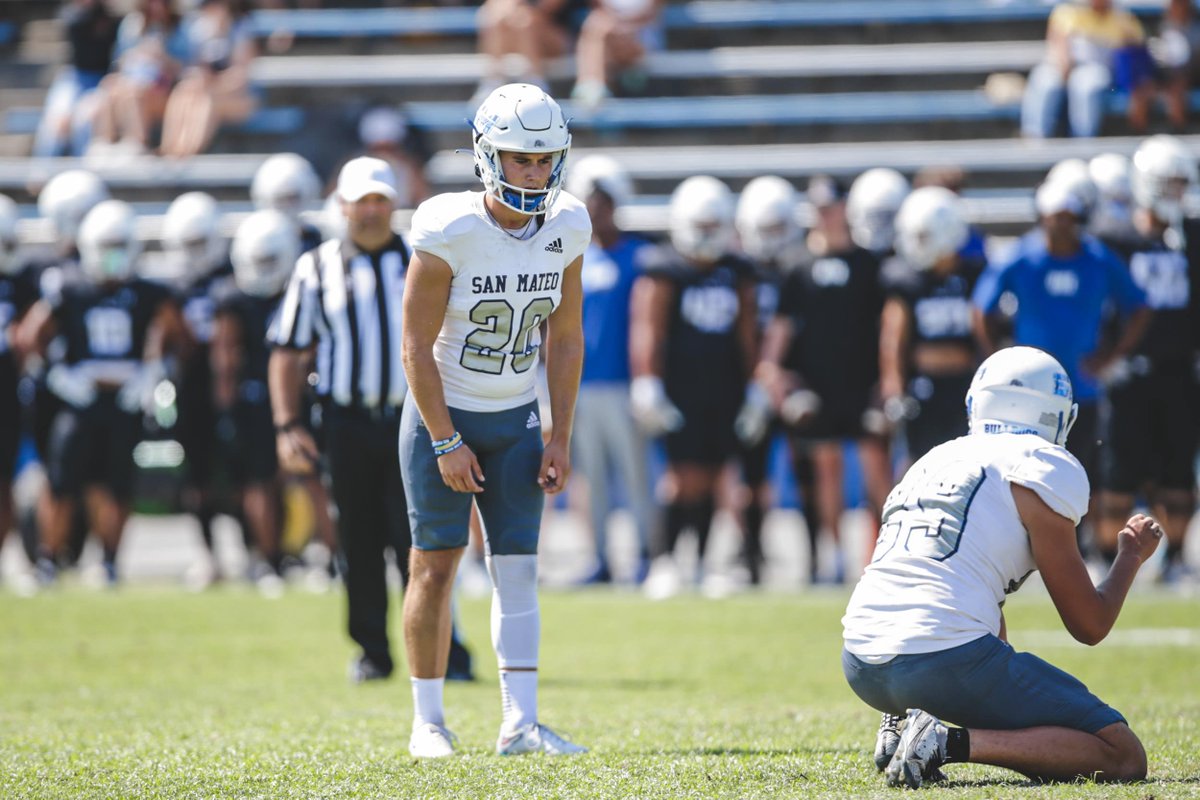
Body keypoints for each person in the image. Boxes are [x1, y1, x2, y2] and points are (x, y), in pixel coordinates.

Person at [842, 346, 1161, 788]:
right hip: (940, 660)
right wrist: (1130, 556)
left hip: (861, 662)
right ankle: (941, 739)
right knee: (1122, 755)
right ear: (1055, 416)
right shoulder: (1039, 465)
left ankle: (904, 720)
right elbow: (1089, 624)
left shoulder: (933, 459)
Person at [398, 83, 589, 757]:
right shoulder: (448, 227)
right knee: (436, 566)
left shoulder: (568, 224)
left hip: (515, 419)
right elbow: (414, 346)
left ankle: (521, 723)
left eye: (544, 160)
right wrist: (445, 439)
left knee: (518, 569)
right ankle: (428, 721)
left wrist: (559, 430)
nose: (533, 173)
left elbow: (564, 339)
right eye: (519, 159)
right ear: (487, 156)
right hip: (441, 416)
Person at [269, 156, 473, 682]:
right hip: (347, 423)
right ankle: (372, 651)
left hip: (416, 422)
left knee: (424, 538)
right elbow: (288, 351)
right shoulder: (315, 267)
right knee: (356, 542)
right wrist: (288, 425)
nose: (372, 211)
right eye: (362, 201)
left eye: (381, 199)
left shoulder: (423, 258)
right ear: (342, 207)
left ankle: (445, 651)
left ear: (395, 203)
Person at [972, 174, 1151, 554]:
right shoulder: (1022, 256)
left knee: (1081, 469)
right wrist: (999, 358)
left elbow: (1138, 305)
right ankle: (1021, 547)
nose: (1061, 225)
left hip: (1079, 387)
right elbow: (981, 308)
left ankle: (1077, 549)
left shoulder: (1098, 258)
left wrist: (1111, 355)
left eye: (1069, 218)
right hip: (1025, 394)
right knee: (1020, 471)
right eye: (1055, 217)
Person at [16, 200, 190, 586]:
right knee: (61, 482)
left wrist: (152, 374)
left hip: (125, 401)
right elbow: (30, 337)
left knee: (116, 485)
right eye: (105, 245)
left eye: (118, 245)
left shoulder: (148, 292)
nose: (111, 256)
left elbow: (178, 337)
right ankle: (47, 561)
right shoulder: (70, 286)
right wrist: (59, 375)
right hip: (80, 401)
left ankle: (109, 562)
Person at [755, 174, 892, 584]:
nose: (826, 216)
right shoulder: (798, 264)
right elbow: (782, 325)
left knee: (876, 471)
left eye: (831, 207)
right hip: (817, 384)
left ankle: (885, 558)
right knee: (826, 469)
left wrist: (888, 380)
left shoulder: (868, 263)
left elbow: (886, 325)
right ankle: (833, 557)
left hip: (862, 382)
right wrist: (771, 368)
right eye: (819, 208)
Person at [631, 175, 757, 599]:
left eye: (712, 225)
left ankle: (702, 564)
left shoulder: (736, 271)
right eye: (699, 225)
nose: (706, 234)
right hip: (680, 388)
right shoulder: (666, 268)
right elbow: (648, 328)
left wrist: (755, 386)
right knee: (678, 479)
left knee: (713, 477)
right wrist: (648, 381)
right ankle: (663, 561)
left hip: (723, 388)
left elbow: (747, 334)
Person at [1093, 135, 1200, 580]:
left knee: (1177, 473)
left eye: (1181, 183)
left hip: (1179, 370)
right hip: (1128, 373)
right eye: (1168, 183)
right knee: (1119, 476)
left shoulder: (1191, 235)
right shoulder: (1115, 238)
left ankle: (1174, 558)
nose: (1176, 192)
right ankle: (1107, 563)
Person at [563, 154, 654, 585]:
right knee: (592, 479)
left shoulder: (639, 255)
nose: (595, 209)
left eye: (602, 200)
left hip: (624, 384)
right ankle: (598, 557)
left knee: (637, 476)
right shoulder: (572, 255)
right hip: (582, 385)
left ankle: (647, 555)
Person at [160, 191, 238, 589]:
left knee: (246, 473)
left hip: (236, 384)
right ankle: (208, 555)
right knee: (199, 479)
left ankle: (260, 553)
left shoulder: (233, 274)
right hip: (191, 385)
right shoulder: (172, 285)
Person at [733, 175, 806, 586]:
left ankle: (814, 558)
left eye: (778, 228)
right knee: (750, 476)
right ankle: (750, 551)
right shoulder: (738, 270)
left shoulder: (798, 269)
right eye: (766, 229)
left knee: (807, 466)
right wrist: (754, 380)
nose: (772, 239)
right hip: (752, 386)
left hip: (792, 382)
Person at [879, 186, 983, 466]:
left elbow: (989, 334)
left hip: (966, 387)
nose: (916, 244)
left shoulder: (975, 275)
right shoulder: (907, 280)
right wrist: (894, 387)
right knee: (920, 466)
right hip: (924, 390)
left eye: (923, 236)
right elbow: (893, 338)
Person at [1020, 0, 1153, 139]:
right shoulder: (1067, 11)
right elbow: (1058, 48)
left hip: (1100, 71)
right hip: (1064, 67)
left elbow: (1136, 56)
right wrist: (1065, 69)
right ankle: (1034, 139)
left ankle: (1083, 142)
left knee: (1086, 84)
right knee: (1045, 81)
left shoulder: (1124, 18)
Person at [159, 0, 257, 158]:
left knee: (207, 100)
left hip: (241, 98)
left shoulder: (240, 29)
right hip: (209, 91)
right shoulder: (202, 32)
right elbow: (197, 69)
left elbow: (240, 78)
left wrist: (212, 85)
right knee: (184, 90)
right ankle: (170, 148)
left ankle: (189, 151)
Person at [89, 0, 189, 154]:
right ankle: (103, 145)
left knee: (134, 92)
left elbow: (188, 68)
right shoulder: (132, 24)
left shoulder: (181, 26)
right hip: (133, 82)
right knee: (109, 86)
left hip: (167, 91)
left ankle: (137, 144)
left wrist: (164, 58)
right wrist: (137, 55)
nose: (156, 7)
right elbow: (119, 62)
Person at [33, 0, 121, 158]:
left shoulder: (110, 16)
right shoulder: (71, 13)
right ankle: (41, 174)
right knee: (55, 123)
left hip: (101, 79)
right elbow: (75, 24)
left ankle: (81, 169)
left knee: (85, 120)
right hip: (73, 77)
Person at [472, 0, 585, 103]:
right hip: (515, 32)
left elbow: (548, 8)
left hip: (559, 40)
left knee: (525, 21)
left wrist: (518, 7)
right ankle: (493, 81)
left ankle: (536, 85)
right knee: (496, 19)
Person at [570, 0, 664, 110]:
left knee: (596, 27)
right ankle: (595, 88)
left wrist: (624, 26)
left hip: (641, 39)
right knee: (597, 24)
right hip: (611, 35)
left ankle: (591, 87)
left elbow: (652, 12)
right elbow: (598, 7)